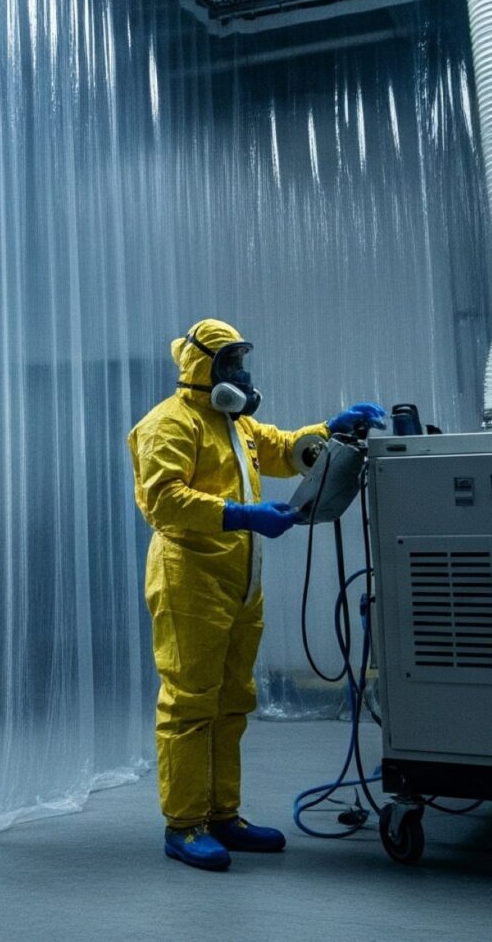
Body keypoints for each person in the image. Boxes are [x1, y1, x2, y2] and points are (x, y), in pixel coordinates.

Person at [128, 318, 385, 871]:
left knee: (232, 701)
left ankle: (222, 815)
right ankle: (184, 824)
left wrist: (328, 431)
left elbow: (282, 448)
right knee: (190, 704)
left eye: (242, 362)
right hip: (189, 579)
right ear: (203, 367)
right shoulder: (167, 425)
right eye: (230, 363)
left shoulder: (234, 424)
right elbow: (163, 501)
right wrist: (241, 514)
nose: (241, 373)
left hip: (240, 582)